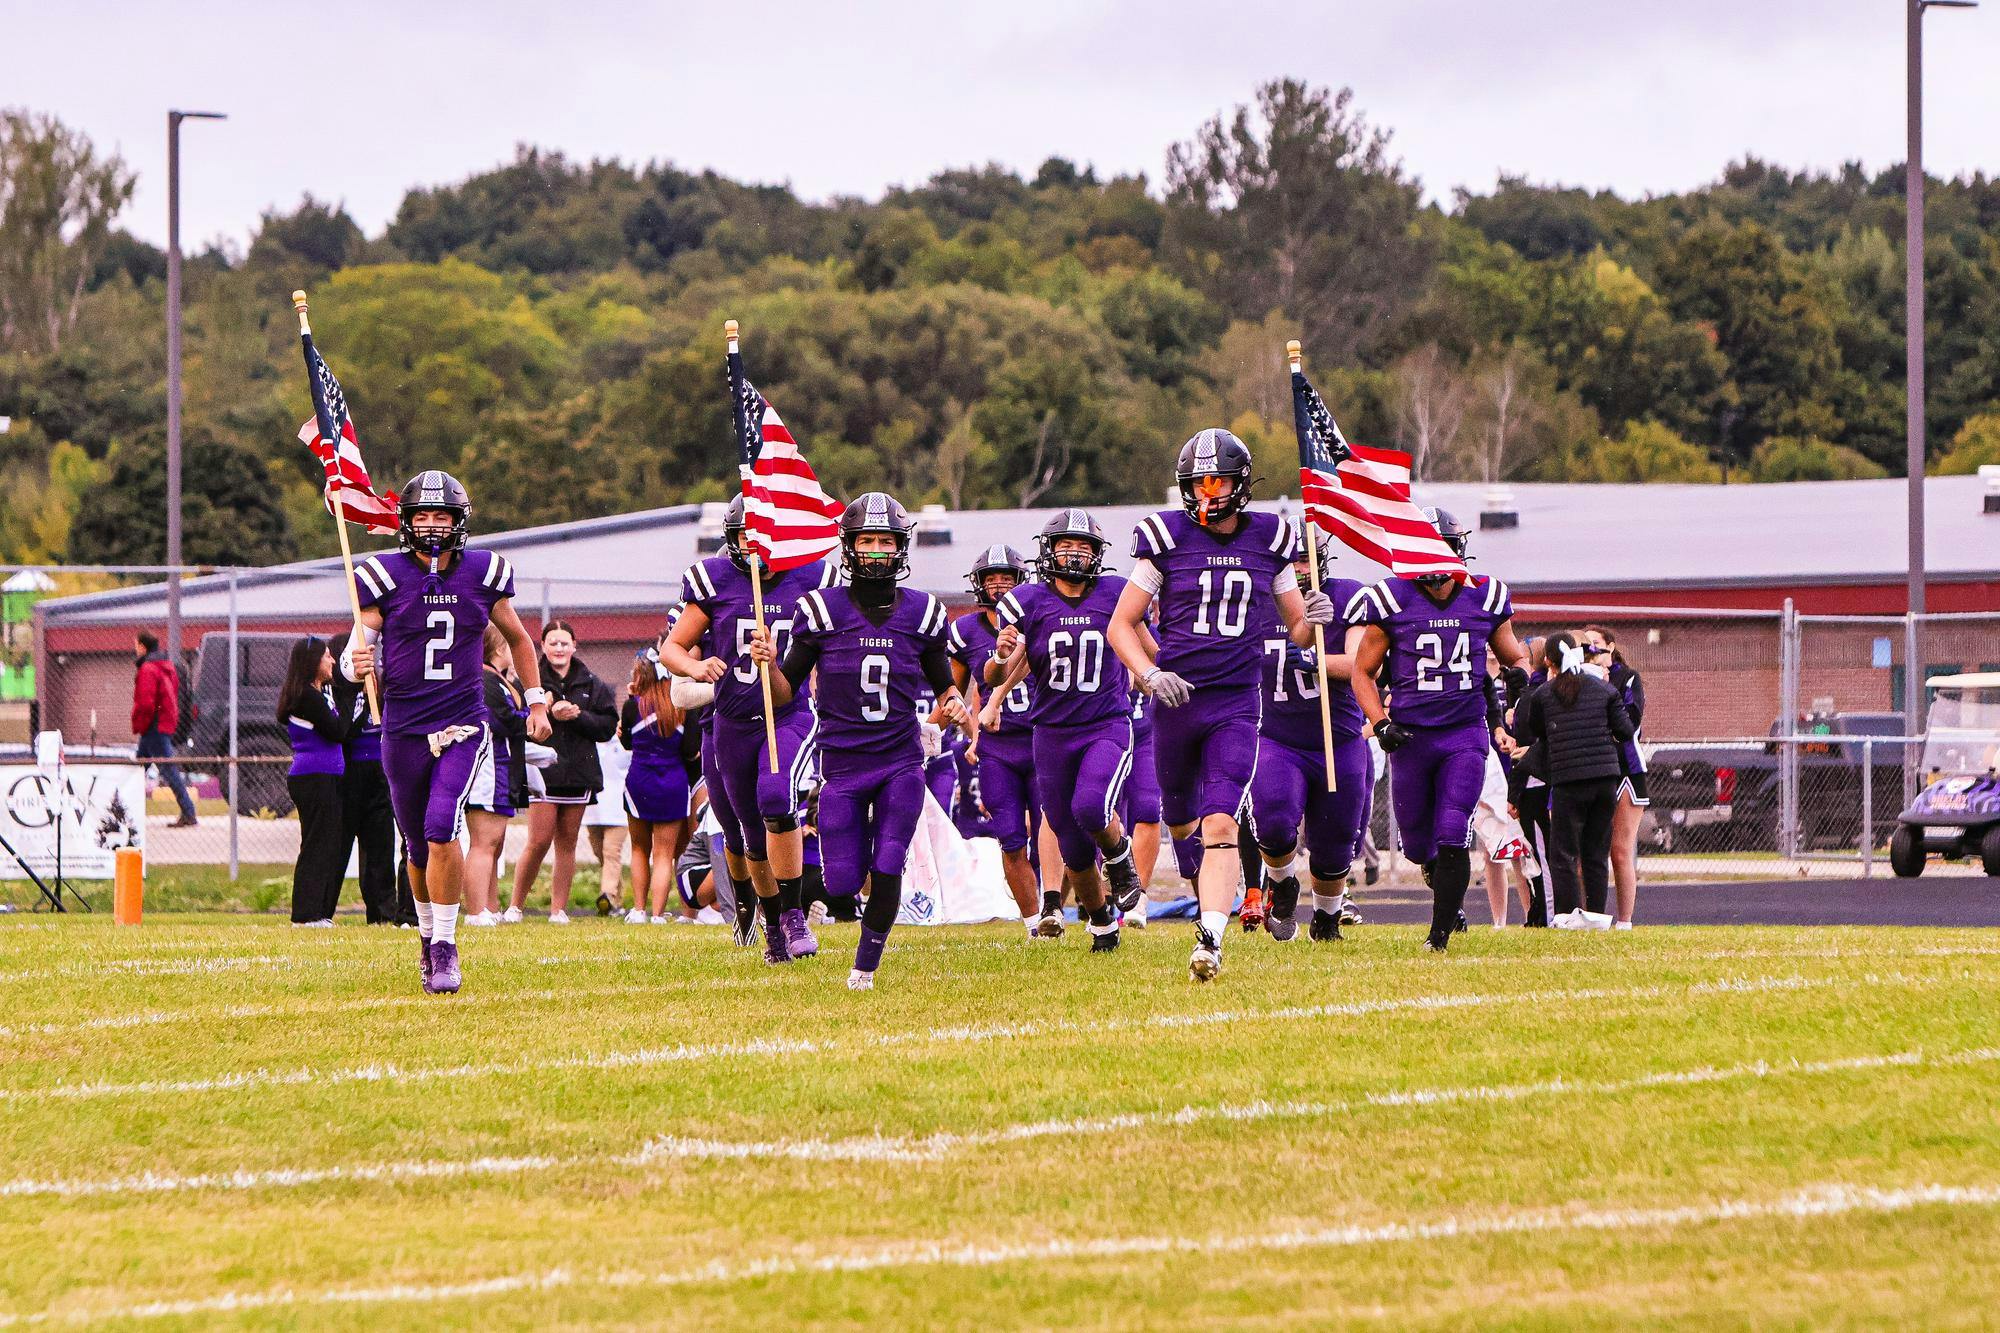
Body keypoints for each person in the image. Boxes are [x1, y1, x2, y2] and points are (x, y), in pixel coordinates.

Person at [1107, 428, 1338, 981]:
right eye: (1197, 483)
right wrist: (1149, 672)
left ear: (1239, 485)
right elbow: (1123, 622)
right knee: (1180, 822)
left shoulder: (1271, 538)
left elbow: (1299, 632)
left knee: (1222, 826)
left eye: (1216, 482)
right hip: (1176, 702)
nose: (1206, 494)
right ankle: (1216, 894)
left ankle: (1210, 938)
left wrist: (1315, 615)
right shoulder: (1164, 536)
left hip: (1236, 703)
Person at [748, 492, 970, 990]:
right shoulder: (820, 611)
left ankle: (864, 968)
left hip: (900, 761)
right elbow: (785, 690)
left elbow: (944, 683)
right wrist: (768, 663)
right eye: (866, 540)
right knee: (844, 881)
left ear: (900, 547)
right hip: (842, 765)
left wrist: (955, 702)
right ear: (848, 547)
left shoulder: (924, 613)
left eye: (884, 540)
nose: (875, 549)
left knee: (890, 860)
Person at [341, 470, 551, 995]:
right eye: (422, 517)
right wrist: (352, 663)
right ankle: (428, 937)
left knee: (441, 827)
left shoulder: (485, 572)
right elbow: (353, 653)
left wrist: (536, 700)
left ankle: (445, 947)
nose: (432, 526)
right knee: (416, 845)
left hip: (462, 721)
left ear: (460, 522)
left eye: (441, 517)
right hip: (403, 726)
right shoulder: (383, 574)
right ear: (406, 522)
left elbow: (521, 642)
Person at [1346, 507, 1531, 952]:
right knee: (1417, 845)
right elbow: (1362, 672)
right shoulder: (1393, 598)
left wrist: (1519, 673)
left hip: (1463, 735)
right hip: (1411, 738)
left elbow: (1514, 656)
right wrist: (1381, 721)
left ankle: (1439, 935)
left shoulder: (1485, 596)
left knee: (1453, 831)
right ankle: (1444, 895)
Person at [662, 494, 838, 962]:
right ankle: (772, 922)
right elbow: (672, 647)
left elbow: (830, 645)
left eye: (764, 534)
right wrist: (694, 669)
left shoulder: (811, 580)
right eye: (745, 535)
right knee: (749, 837)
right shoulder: (714, 580)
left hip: (788, 714)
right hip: (732, 721)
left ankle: (794, 917)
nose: (755, 544)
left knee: (778, 798)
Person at [985, 509, 1140, 953]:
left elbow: (1144, 644)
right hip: (1051, 732)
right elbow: (998, 673)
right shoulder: (1027, 601)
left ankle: (1120, 857)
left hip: (1105, 723)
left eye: (1084, 546)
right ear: (1048, 551)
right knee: (1071, 848)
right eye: (1065, 546)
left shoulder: (1115, 592)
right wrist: (998, 659)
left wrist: (1154, 673)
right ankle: (1103, 925)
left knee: (1091, 806)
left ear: (1098, 554)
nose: (1074, 554)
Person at [1247, 524, 1369, 944]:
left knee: (1336, 842)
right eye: (1294, 558)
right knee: (1275, 821)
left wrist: (1317, 660)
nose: (1301, 567)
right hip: (1278, 737)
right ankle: (1281, 883)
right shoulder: (1257, 602)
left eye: (1308, 558)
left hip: (1338, 738)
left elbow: (1358, 666)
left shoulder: (1350, 594)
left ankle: (1327, 917)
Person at [948, 544, 1044, 935]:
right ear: (978, 585)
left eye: (1007, 578)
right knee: (1010, 838)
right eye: (992, 579)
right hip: (998, 747)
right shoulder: (966, 631)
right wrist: (934, 728)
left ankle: (1054, 902)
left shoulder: (1039, 619)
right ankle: (1036, 922)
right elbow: (952, 692)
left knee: (1056, 832)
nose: (1000, 586)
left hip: (1043, 739)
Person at [1511, 632, 1635, 930]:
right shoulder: (1604, 690)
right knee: (1595, 851)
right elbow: (1626, 730)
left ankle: (1566, 916)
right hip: (1605, 778)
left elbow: (1540, 732)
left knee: (1564, 852)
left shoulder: (1543, 694)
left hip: (1568, 781)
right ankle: (1596, 917)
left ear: (1548, 662)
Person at [506, 620, 616, 924]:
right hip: (543, 773)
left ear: (574, 646)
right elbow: (516, 723)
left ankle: (558, 909)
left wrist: (578, 715)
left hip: (578, 774)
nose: (558, 648)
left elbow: (607, 727)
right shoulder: (531, 680)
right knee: (538, 840)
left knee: (567, 843)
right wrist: (548, 712)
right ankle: (515, 906)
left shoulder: (591, 683)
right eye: (552, 642)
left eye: (564, 643)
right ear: (543, 646)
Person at [329, 629, 406, 925]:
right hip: (349, 773)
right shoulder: (341, 692)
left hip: (380, 772)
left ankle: (382, 911)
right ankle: (324, 909)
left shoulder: (384, 688)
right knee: (340, 843)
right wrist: (356, 695)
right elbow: (342, 729)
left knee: (380, 845)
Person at [278, 635, 349, 926]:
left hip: (326, 775)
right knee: (316, 844)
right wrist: (348, 697)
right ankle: (305, 915)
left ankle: (319, 912)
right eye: (327, 656)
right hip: (313, 777)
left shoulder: (319, 693)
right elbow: (337, 731)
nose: (332, 661)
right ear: (312, 662)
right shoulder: (306, 697)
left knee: (328, 843)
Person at [622, 642, 693, 924]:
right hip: (673, 783)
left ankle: (638, 910)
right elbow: (689, 750)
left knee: (640, 848)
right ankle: (658, 914)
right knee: (664, 855)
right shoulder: (681, 708)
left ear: (642, 676)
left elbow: (627, 741)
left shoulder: (631, 707)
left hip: (640, 781)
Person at [462, 624, 527, 927]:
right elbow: (504, 720)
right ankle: (476, 911)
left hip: (502, 766)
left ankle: (489, 905)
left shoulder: (500, 679)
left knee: (493, 843)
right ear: (499, 648)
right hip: (489, 766)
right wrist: (532, 714)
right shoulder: (486, 678)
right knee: (483, 842)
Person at [1585, 623, 1646, 930]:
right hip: (1593, 768)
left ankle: (1624, 922)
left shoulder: (1628, 677)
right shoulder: (1580, 680)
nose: (1590, 651)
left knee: (1619, 851)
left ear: (1609, 646)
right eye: (1585, 647)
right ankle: (1587, 916)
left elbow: (1630, 721)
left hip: (1625, 769)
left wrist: (1606, 689)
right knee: (1589, 851)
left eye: (1595, 645)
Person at [132, 630, 197, 828]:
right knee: (138, 767)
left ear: (143, 646)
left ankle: (189, 811)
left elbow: (146, 702)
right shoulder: (165, 667)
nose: (134, 649)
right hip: (161, 724)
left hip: (154, 726)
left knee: (167, 769)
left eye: (136, 644)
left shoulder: (148, 670)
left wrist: (140, 723)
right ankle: (124, 805)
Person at [586, 730, 632, 917]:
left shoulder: (623, 739)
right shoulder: (591, 735)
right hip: (594, 808)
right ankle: (616, 900)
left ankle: (608, 895)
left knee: (611, 851)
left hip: (618, 807)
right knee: (600, 853)